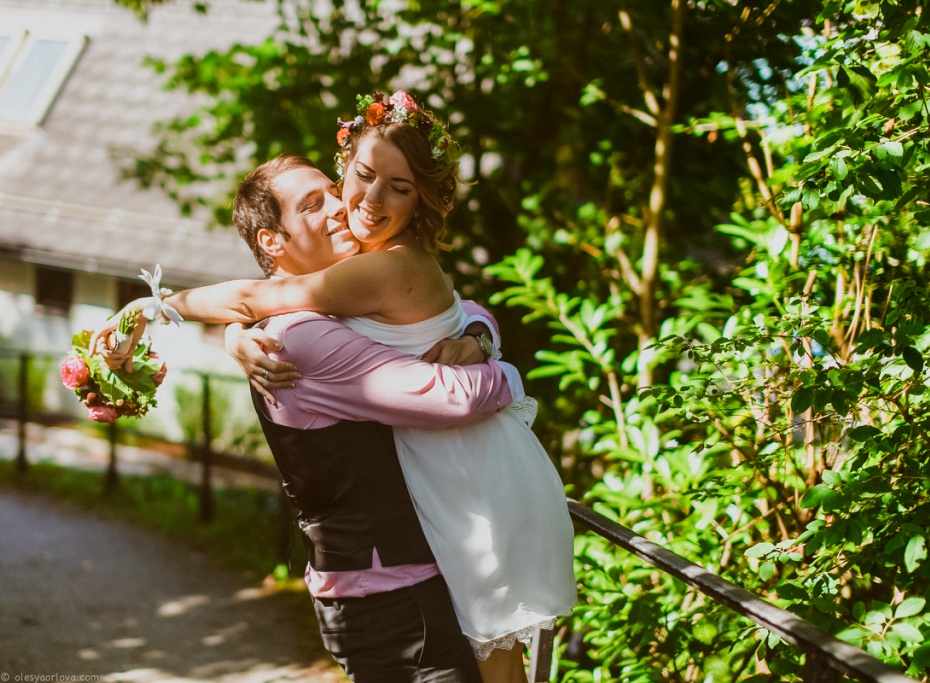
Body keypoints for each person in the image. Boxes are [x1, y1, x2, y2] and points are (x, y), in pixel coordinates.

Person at [104, 92, 576, 683]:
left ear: (419, 198)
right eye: (355, 181)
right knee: (500, 661)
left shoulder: (369, 275)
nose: (353, 205)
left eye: (396, 188)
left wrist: (482, 343)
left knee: (499, 659)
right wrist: (215, 324)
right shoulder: (306, 328)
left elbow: (457, 317)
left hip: (468, 489)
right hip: (402, 565)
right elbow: (267, 305)